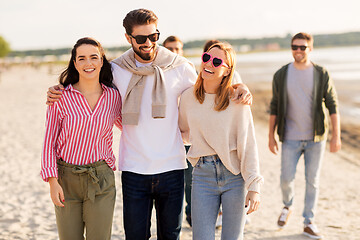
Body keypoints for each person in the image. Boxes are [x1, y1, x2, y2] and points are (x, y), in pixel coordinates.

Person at [46, 9, 252, 240]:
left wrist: (239, 85)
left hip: (172, 167)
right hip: (134, 170)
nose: (148, 43)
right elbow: (87, 80)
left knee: (170, 236)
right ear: (128, 38)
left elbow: (210, 83)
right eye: (141, 38)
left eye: (153, 36)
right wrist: (59, 89)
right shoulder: (116, 70)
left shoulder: (179, 66)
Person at [179, 42, 263, 240]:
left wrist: (254, 187)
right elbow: (184, 133)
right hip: (202, 176)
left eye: (217, 61)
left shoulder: (238, 100)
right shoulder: (187, 98)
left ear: (227, 71)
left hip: (235, 176)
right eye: (206, 58)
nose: (209, 64)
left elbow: (248, 144)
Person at [41, 37, 122, 240]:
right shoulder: (60, 97)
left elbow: (130, 127)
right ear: (75, 63)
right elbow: (49, 142)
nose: (88, 63)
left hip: (101, 179)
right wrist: (52, 181)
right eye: (82, 58)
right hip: (66, 179)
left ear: (101, 61)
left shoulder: (114, 97)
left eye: (94, 57)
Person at [268, 32, 341, 239]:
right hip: (289, 137)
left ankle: (309, 221)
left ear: (310, 49)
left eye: (303, 47)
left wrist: (336, 135)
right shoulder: (281, 74)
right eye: (294, 47)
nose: (298, 51)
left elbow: (333, 105)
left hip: (316, 138)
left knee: (312, 180)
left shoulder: (321, 73)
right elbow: (274, 105)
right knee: (286, 178)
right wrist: (270, 136)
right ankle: (287, 206)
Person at [163, 35, 193, 227]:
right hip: (167, 139)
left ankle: (190, 214)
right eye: (170, 49)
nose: (174, 52)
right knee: (173, 185)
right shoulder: (159, 74)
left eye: (177, 49)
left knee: (190, 181)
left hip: (188, 139)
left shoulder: (188, 70)